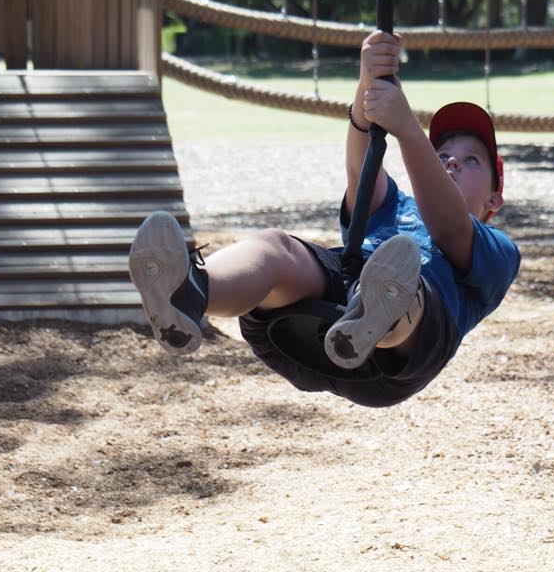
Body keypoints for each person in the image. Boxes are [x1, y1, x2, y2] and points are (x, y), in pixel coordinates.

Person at [128, 30, 520, 407]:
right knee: (276, 247)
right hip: (308, 330)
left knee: (402, 280)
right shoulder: (396, 206)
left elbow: (450, 228)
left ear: (494, 198)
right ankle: (188, 292)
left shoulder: (499, 251)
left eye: (472, 160)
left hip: (394, 361)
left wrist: (409, 131)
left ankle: (374, 314)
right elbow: (359, 167)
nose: (452, 160)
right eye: (442, 156)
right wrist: (367, 83)